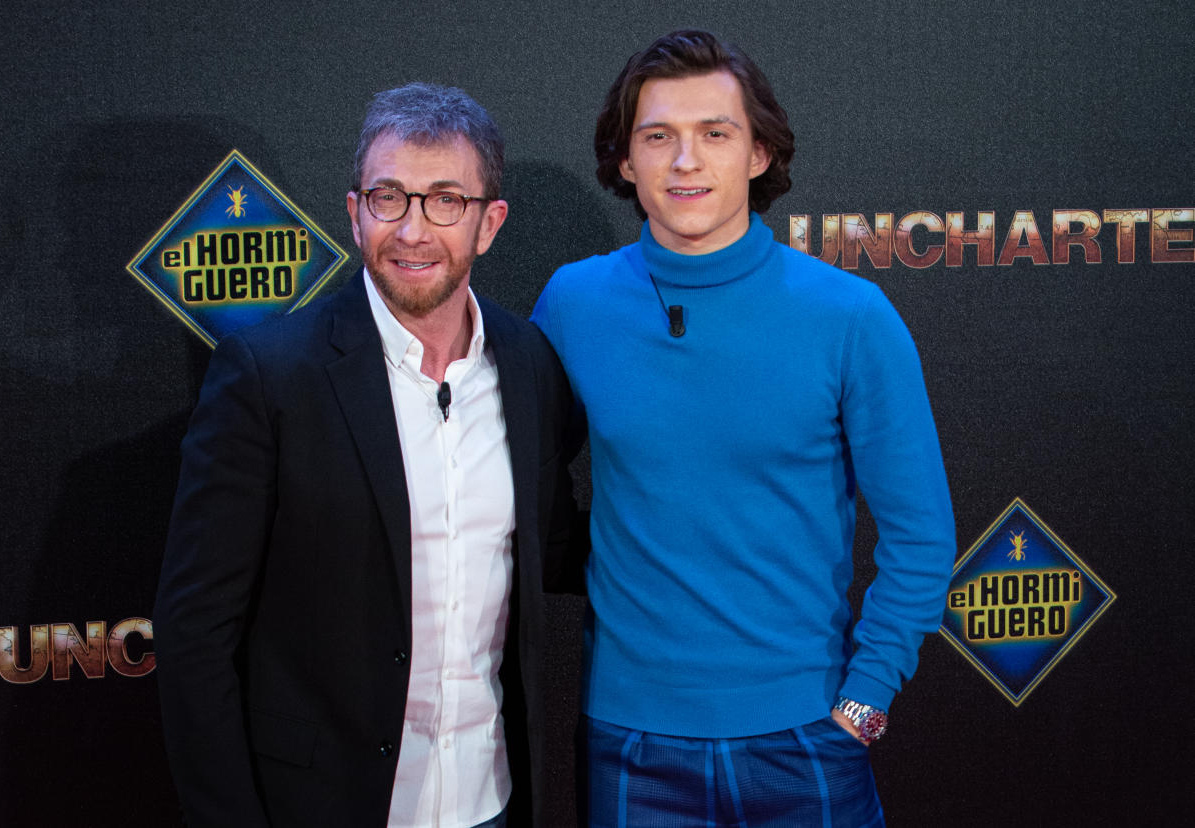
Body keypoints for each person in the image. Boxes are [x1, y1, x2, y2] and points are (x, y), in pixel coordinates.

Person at [532, 30, 955, 826]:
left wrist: (863, 702)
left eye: (714, 134)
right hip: (629, 740)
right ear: (626, 162)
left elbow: (921, 533)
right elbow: (510, 480)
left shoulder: (850, 317)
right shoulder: (573, 303)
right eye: (658, 137)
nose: (685, 161)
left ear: (759, 154)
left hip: (806, 738)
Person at [154, 82, 576, 828]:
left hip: (492, 800)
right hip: (323, 806)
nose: (413, 230)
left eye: (446, 200)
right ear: (355, 214)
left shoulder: (530, 362)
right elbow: (196, 639)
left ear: (490, 223)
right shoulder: (269, 374)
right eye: (390, 197)